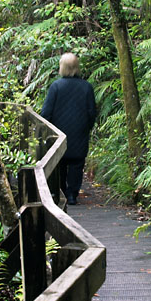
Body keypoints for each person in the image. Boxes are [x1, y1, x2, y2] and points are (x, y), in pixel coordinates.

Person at [41, 53, 96, 205]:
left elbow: (46, 112)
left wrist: (48, 131)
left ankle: (62, 193)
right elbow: (92, 112)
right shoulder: (86, 87)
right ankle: (72, 195)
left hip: (59, 134)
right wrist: (86, 127)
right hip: (79, 132)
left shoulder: (56, 87)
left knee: (61, 164)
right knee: (77, 164)